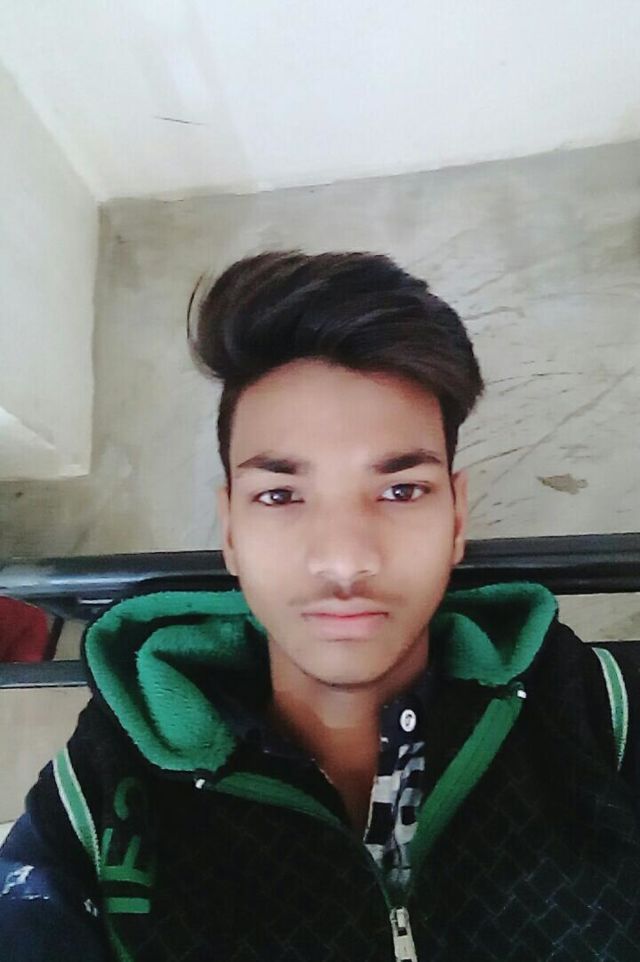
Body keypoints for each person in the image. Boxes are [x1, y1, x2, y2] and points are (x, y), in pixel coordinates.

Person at [1, 251, 639, 961]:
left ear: (458, 517)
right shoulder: (98, 801)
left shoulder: (600, 716)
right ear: (231, 530)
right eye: (280, 495)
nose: (344, 558)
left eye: (401, 490)